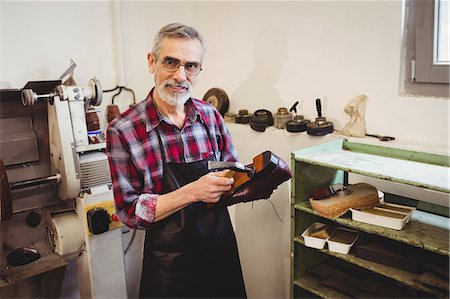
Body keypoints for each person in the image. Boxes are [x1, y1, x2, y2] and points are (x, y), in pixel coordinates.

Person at [106, 23, 247, 298]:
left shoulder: (211, 117)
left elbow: (231, 174)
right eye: (171, 62)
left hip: (219, 253)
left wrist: (254, 182)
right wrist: (192, 191)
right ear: (152, 62)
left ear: (199, 69)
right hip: (170, 267)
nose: (180, 75)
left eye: (191, 66)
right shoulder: (123, 130)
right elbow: (129, 211)